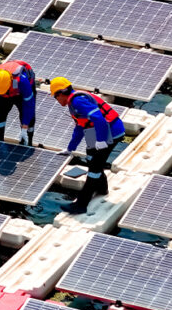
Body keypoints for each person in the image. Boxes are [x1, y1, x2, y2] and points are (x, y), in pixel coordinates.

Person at [50, 76, 125, 214]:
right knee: (91, 157)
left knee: (94, 169)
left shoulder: (78, 101)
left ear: (61, 93)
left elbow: (99, 119)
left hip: (110, 132)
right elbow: (80, 128)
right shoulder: (73, 102)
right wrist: (70, 148)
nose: (57, 100)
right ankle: (102, 189)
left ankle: (81, 205)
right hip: (98, 131)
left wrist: (101, 140)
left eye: (55, 97)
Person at [0, 60, 36, 145]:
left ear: (9, 85)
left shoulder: (22, 82)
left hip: (21, 92)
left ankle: (27, 142)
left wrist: (24, 128)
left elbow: (29, 105)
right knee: (0, 116)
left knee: (27, 118)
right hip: (7, 92)